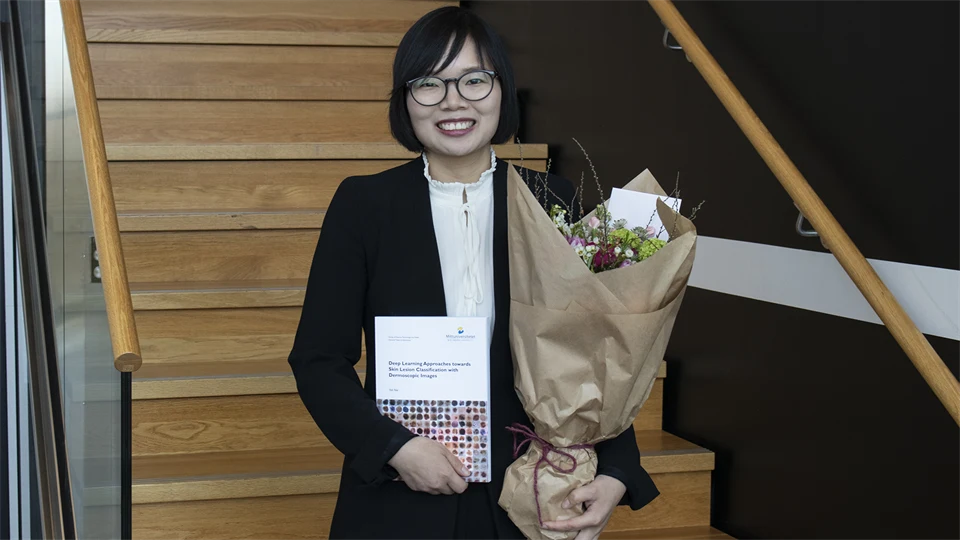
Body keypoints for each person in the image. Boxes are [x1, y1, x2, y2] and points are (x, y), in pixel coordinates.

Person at [288, 7, 659, 540]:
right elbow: (318, 359)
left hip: (531, 486)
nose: (453, 100)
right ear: (405, 101)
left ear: (502, 90)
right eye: (429, 84)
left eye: (474, 80)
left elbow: (598, 349)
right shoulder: (364, 204)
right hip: (402, 492)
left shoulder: (548, 198)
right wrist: (396, 447)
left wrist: (617, 472)